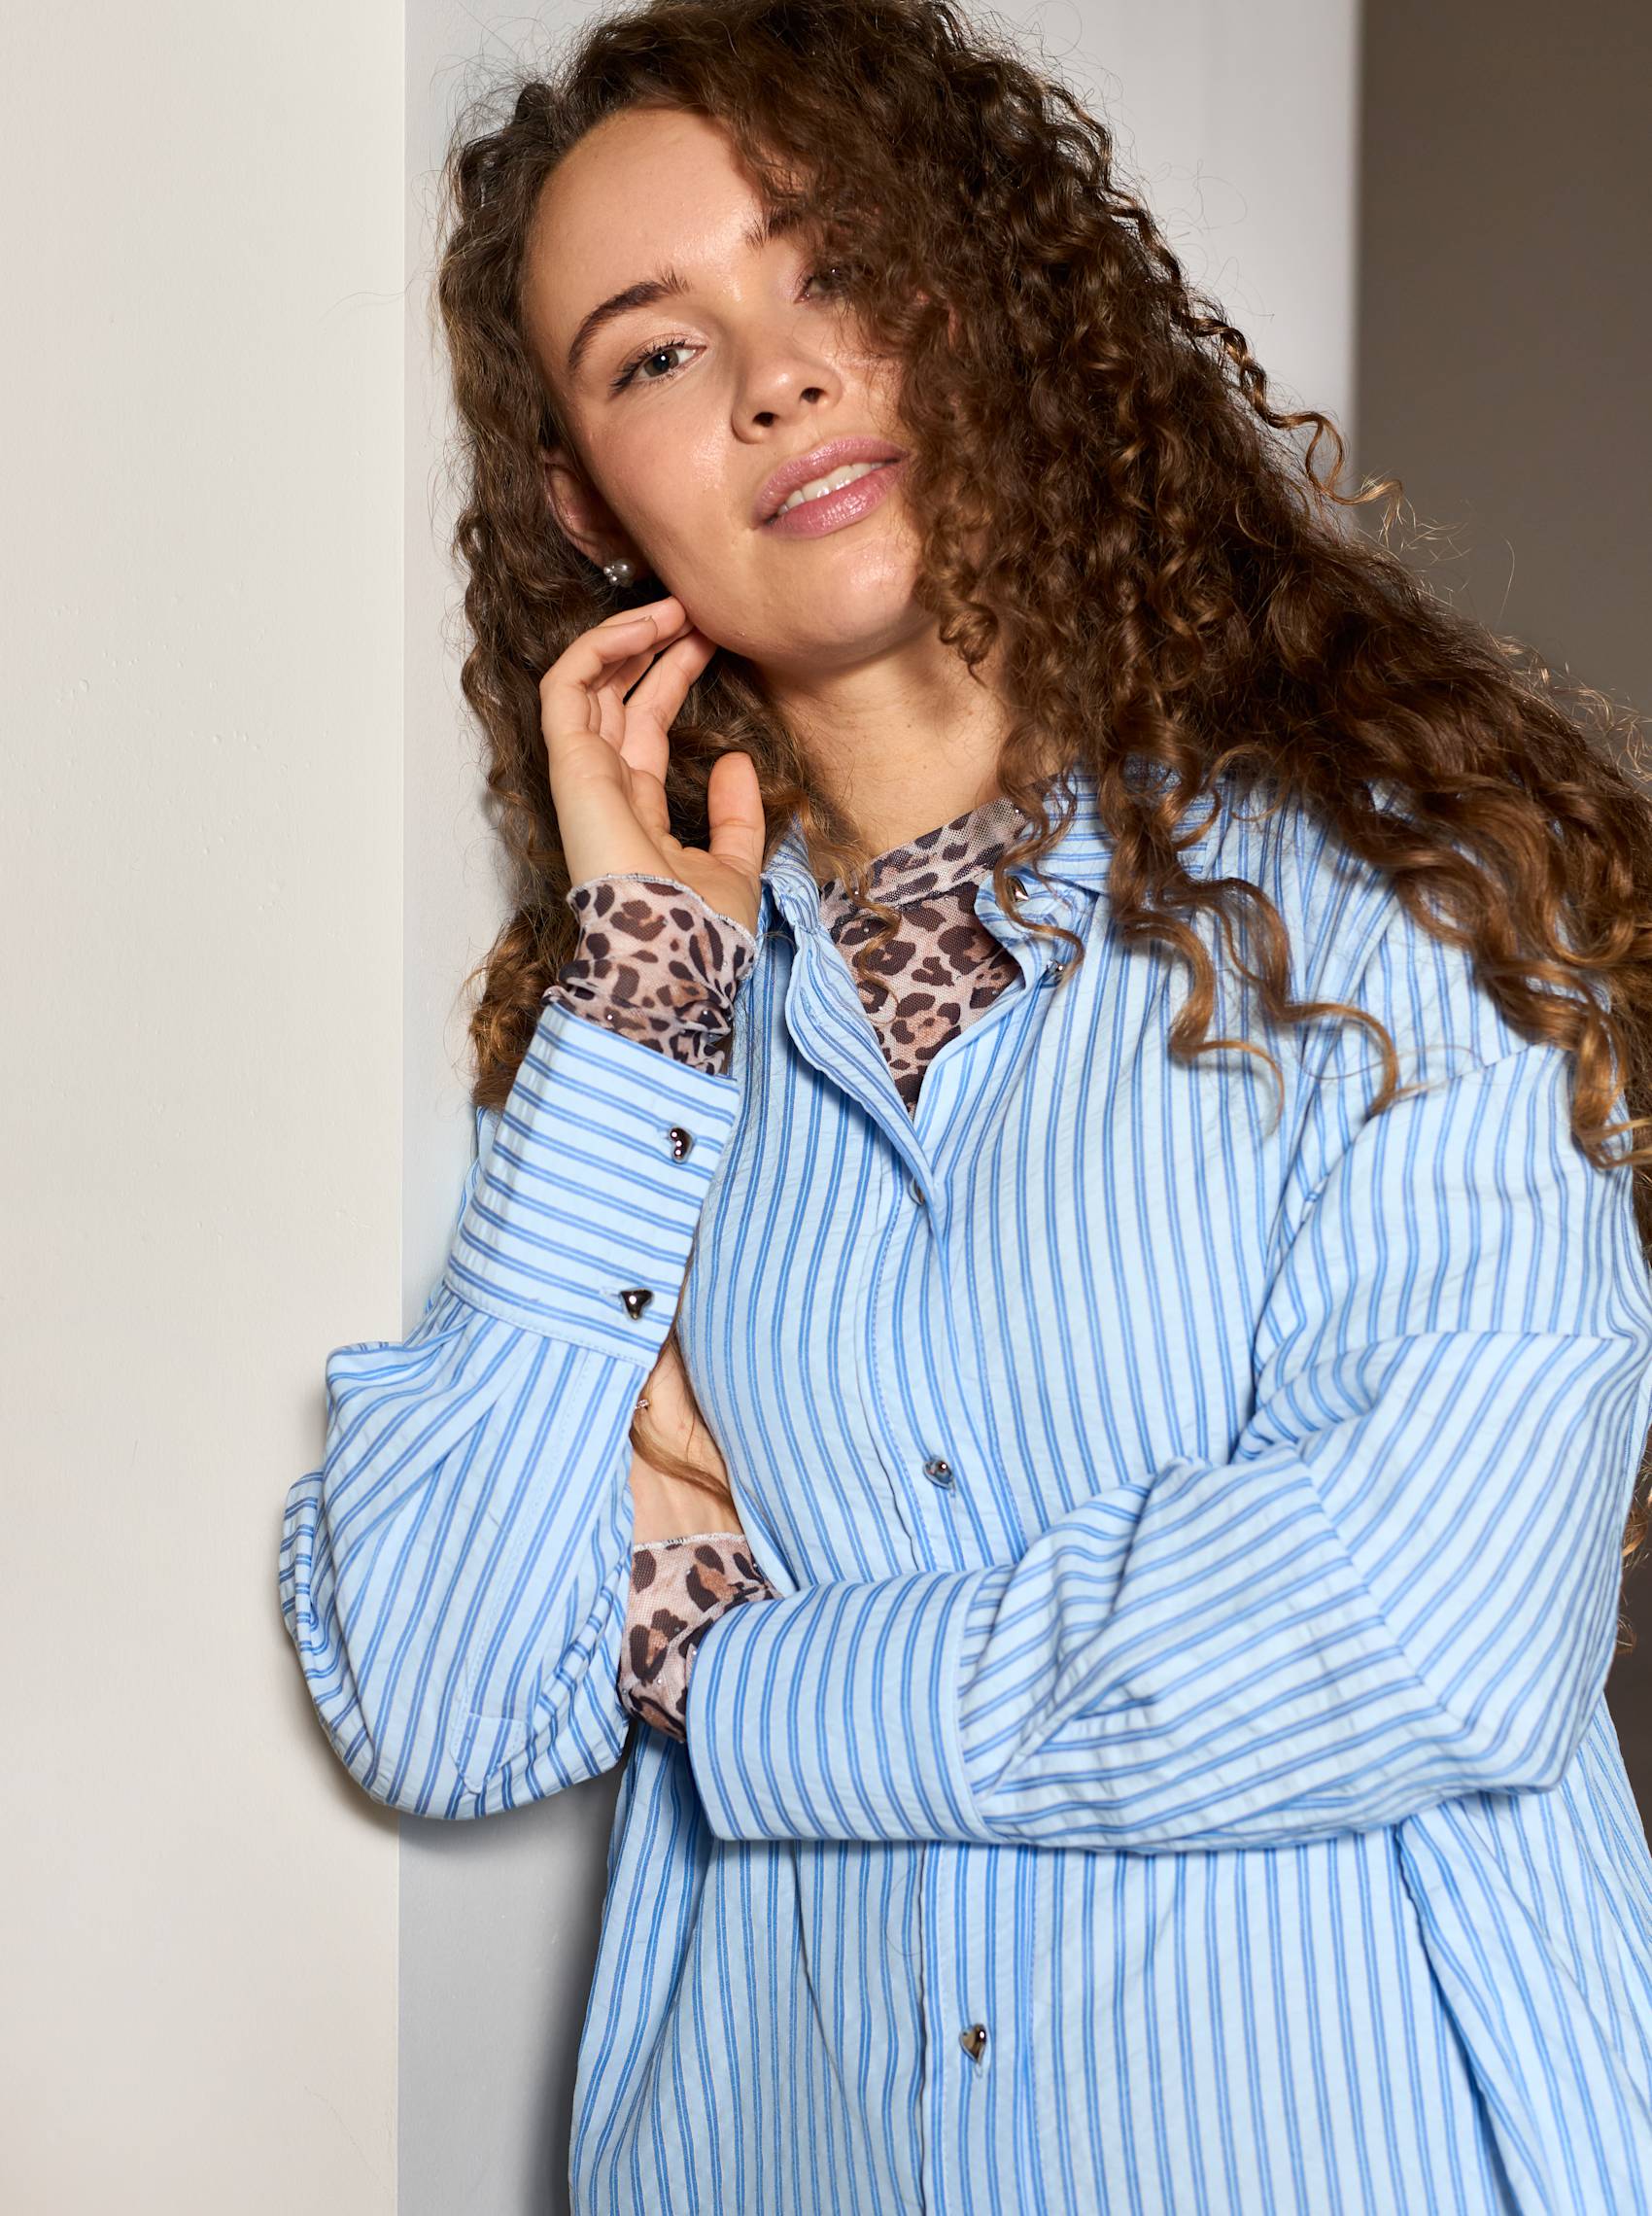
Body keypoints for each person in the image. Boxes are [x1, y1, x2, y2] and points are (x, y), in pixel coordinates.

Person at [278, 1, 1652, 2207]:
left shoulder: (1403, 896)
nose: (773, 380)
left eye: (832, 267)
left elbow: (1429, 1628)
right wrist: (639, 1004)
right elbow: (445, 1703)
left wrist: (737, 1680)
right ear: (586, 505)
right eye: (656, 355)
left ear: (976, 304)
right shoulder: (648, 1066)